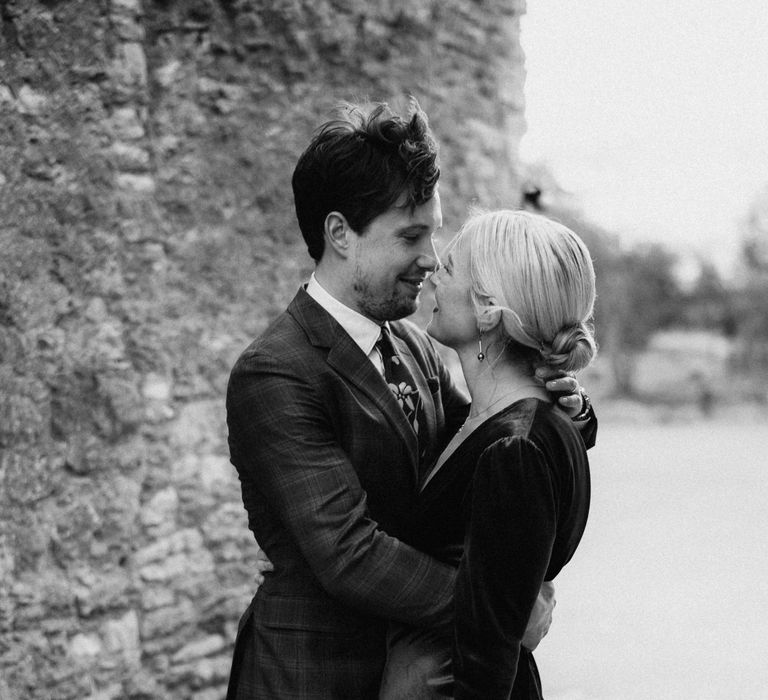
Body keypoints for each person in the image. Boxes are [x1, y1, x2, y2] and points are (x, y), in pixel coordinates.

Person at [225, 99, 596, 699]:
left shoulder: (414, 346)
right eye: (411, 235)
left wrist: (567, 405)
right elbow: (348, 552)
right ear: (341, 234)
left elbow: (487, 442)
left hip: (418, 674)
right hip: (314, 675)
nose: (430, 257)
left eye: (435, 230)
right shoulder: (276, 371)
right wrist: (497, 610)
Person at [380, 209, 597, 699]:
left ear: (488, 312)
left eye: (451, 268)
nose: (434, 273)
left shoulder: (515, 449)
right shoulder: (497, 421)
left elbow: (487, 649)